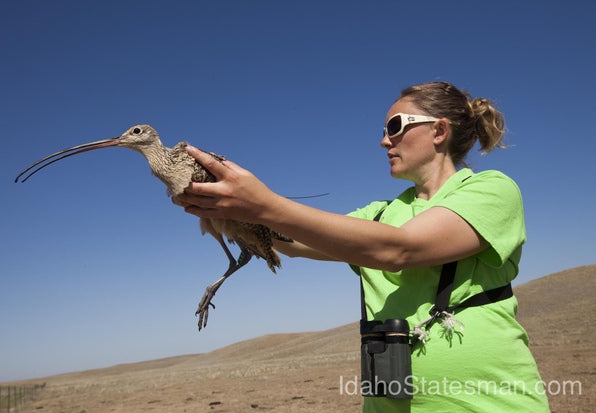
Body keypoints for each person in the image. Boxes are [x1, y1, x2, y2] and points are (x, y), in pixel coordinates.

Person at [173, 81, 550, 412]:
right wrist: (233, 211)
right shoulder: (381, 213)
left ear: (439, 131)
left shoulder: (491, 191)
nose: (384, 140)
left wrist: (265, 205)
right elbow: (294, 240)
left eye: (395, 127)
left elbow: (400, 250)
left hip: (486, 404)